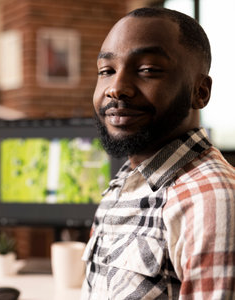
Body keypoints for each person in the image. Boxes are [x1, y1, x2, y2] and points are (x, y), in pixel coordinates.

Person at [81, 7, 235, 299]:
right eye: (107, 71)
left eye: (148, 70)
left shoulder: (213, 201)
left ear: (200, 92)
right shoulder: (125, 182)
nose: (116, 88)